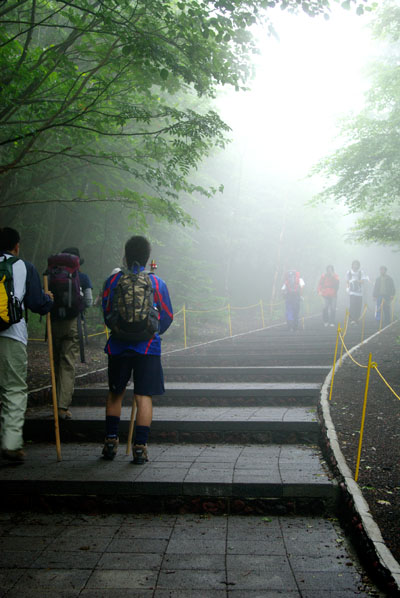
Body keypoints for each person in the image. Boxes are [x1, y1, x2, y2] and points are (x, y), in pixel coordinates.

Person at [101, 235, 173, 464]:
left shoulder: (113, 281)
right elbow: (168, 316)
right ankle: (140, 446)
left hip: (118, 346)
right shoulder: (156, 282)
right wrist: (151, 331)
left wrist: (121, 330)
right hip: (148, 348)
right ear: (147, 257)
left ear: (126, 254)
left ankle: (111, 441)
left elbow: (106, 311)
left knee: (115, 393)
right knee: (143, 396)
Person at [0, 227, 53, 463]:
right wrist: (48, 299)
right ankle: (11, 444)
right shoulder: (24, 267)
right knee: (13, 389)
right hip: (12, 335)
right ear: (16, 246)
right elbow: (36, 304)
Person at [50, 247, 93, 419]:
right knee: (67, 363)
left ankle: (54, 403)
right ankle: (62, 407)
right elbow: (88, 301)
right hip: (72, 323)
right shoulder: (82, 277)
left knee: (55, 362)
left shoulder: (50, 274)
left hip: (53, 322)